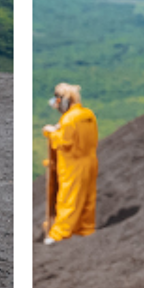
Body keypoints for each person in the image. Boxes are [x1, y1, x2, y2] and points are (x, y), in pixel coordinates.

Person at [42, 82, 98, 243]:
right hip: (90, 161)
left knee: (68, 199)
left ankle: (59, 233)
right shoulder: (88, 115)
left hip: (73, 165)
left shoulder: (68, 119)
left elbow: (64, 143)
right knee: (88, 198)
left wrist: (50, 133)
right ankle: (85, 228)